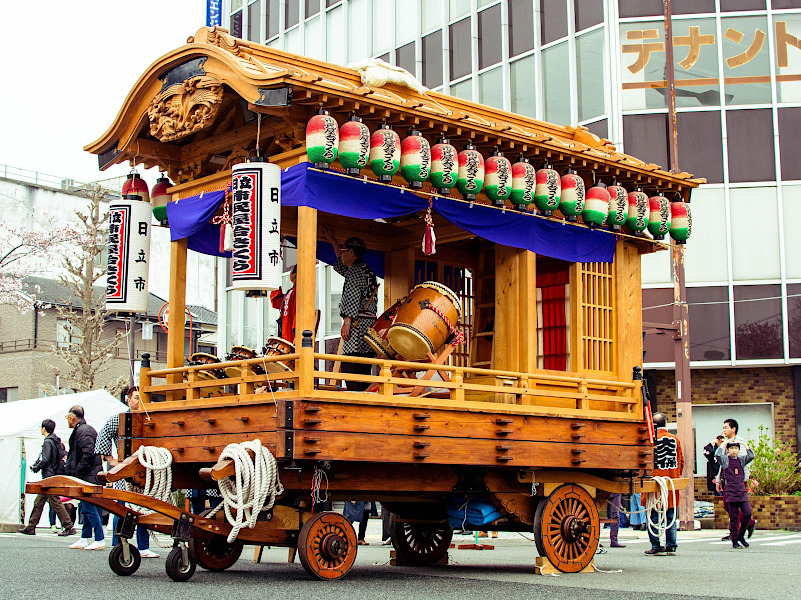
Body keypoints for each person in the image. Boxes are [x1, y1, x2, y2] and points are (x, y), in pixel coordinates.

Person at [94, 387, 159, 558]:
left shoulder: (151, 418)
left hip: (147, 472)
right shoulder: (119, 419)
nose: (139, 401)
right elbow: (102, 435)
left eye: (142, 398)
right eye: (136, 398)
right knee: (122, 510)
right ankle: (117, 545)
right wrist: (111, 460)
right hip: (125, 471)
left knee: (143, 510)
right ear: (128, 400)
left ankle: (143, 547)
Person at [323, 225, 378, 391]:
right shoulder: (366, 270)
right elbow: (340, 265)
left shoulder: (355, 271)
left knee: (351, 366)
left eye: (343, 250)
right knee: (364, 369)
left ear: (351, 252)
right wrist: (333, 241)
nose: (341, 253)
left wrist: (347, 322)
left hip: (356, 325)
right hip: (368, 327)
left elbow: (352, 297)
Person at [18, 419, 76, 537]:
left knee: (55, 502)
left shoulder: (48, 442)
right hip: (53, 475)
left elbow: (46, 459)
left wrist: (36, 467)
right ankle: (31, 526)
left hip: (48, 477)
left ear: (44, 429)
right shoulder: (56, 441)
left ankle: (68, 526)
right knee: (39, 502)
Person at [65, 405, 105, 550]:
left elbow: (88, 454)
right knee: (86, 507)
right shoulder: (84, 430)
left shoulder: (82, 431)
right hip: (90, 474)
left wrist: (78, 472)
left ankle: (99, 538)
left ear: (71, 417)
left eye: (67, 418)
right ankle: (85, 538)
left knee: (88, 508)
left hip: (87, 476)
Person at [644, 412, 684, 556]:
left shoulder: (649, 440)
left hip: (654, 482)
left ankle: (656, 546)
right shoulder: (675, 439)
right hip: (670, 481)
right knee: (670, 514)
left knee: (653, 515)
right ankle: (671, 545)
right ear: (666, 423)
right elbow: (681, 462)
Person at [715, 418, 757, 540]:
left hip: (738, 480)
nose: (724, 430)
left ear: (733, 429)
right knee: (728, 506)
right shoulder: (726, 443)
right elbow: (722, 462)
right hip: (727, 479)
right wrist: (719, 479)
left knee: (734, 506)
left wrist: (743, 477)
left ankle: (738, 530)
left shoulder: (739, 443)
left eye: (726, 428)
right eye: (723, 428)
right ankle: (744, 526)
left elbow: (743, 460)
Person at [270, 265, 297, 342]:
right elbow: (276, 301)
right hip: (289, 339)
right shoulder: (292, 293)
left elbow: (275, 301)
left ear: (294, 274)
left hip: (292, 339)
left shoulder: (295, 292)